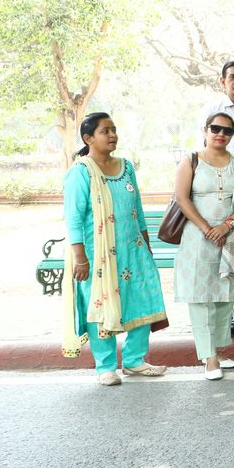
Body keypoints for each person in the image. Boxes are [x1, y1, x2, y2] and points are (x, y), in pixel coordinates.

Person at [61, 112, 168, 385]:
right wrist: (80, 258)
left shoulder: (126, 166)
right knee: (100, 305)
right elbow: (73, 218)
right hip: (97, 255)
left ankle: (134, 360)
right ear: (88, 138)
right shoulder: (81, 172)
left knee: (142, 298)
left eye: (114, 130)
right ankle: (105, 366)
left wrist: (146, 245)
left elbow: (137, 209)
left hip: (133, 250)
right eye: (105, 131)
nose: (112, 135)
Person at [174, 111, 234, 380]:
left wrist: (227, 225)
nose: (221, 134)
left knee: (224, 294)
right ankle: (208, 358)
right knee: (201, 297)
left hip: (229, 236)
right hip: (198, 238)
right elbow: (182, 198)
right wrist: (208, 229)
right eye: (216, 128)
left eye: (227, 131)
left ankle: (217, 352)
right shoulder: (191, 161)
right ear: (205, 130)